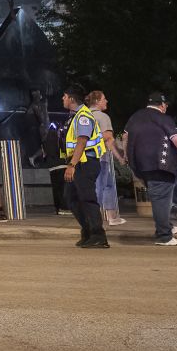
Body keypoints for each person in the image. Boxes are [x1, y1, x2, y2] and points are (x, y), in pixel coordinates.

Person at [124, 92, 177, 246]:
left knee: (159, 198)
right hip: (161, 166)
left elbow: (125, 138)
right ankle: (164, 236)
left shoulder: (135, 117)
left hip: (140, 167)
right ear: (162, 105)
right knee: (161, 201)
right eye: (166, 104)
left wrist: (126, 157)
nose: (166, 107)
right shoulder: (164, 119)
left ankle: (165, 226)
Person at [60, 86, 108, 248]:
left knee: (87, 199)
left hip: (85, 162)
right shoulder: (73, 117)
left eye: (65, 96)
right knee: (71, 198)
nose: (63, 99)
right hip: (77, 162)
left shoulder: (83, 116)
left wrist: (72, 164)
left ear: (72, 99)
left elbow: (82, 141)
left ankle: (98, 235)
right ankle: (88, 231)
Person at [86, 91, 126, 227]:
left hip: (86, 158)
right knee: (99, 188)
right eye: (104, 99)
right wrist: (120, 157)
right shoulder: (103, 117)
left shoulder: (83, 115)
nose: (106, 101)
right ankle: (94, 221)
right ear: (97, 101)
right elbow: (108, 139)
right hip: (100, 158)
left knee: (109, 186)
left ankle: (112, 217)